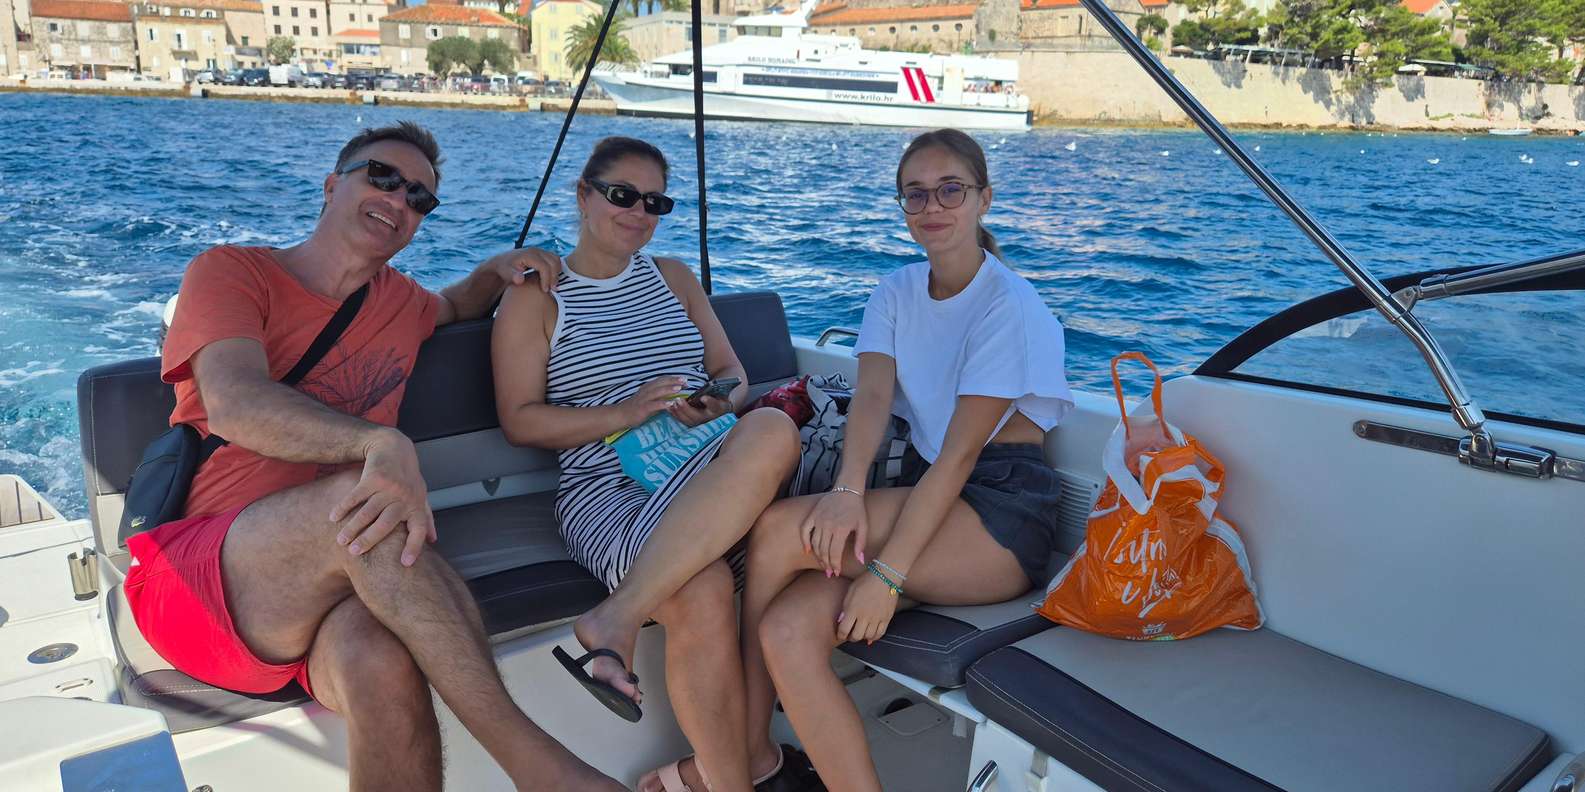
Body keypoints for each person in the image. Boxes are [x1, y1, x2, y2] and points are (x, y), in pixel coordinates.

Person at [124, 121, 625, 792]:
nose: (398, 199)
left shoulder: (399, 302)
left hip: (334, 588)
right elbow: (234, 403)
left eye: (419, 197)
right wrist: (377, 442)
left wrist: (496, 270)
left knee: (383, 667)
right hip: (202, 584)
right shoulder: (233, 272)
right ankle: (542, 769)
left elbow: (453, 305)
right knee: (364, 501)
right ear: (332, 185)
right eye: (381, 177)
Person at [739, 128, 1074, 791]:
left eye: (951, 189)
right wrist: (846, 491)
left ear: (983, 199)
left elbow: (960, 455)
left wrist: (886, 577)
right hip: (931, 499)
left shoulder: (1008, 304)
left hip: (1000, 515)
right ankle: (760, 764)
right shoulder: (896, 290)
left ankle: (739, 759)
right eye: (915, 194)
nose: (932, 206)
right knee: (787, 629)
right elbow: (870, 398)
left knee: (777, 532)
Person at [492, 136, 815, 792]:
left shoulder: (672, 277)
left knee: (769, 428)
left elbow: (731, 375)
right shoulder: (538, 297)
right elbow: (520, 420)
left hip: (708, 463)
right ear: (583, 196)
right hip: (608, 487)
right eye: (622, 195)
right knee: (698, 588)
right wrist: (629, 412)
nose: (638, 212)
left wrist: (713, 401)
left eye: (654, 202)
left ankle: (617, 617)